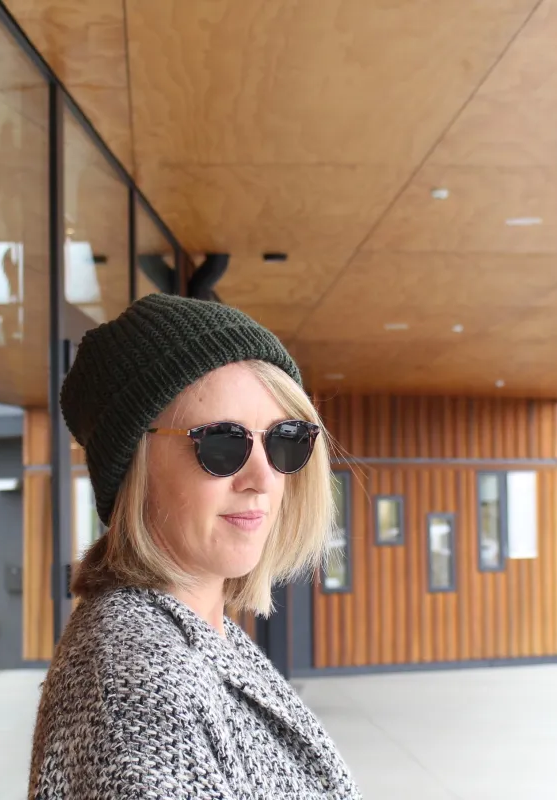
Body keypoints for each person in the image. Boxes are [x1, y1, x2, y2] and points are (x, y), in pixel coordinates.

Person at [28, 294, 362, 800]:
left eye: (284, 440)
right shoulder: (138, 684)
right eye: (222, 443)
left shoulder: (199, 630)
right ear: (134, 471)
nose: (262, 477)